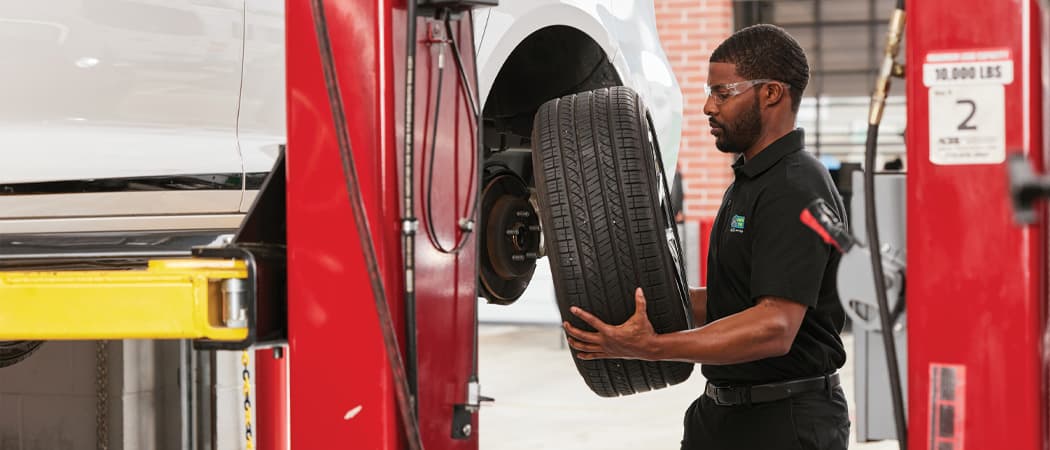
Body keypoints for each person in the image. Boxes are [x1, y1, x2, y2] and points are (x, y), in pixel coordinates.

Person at [563, 24, 851, 450]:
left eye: (722, 93)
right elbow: (728, 300)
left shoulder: (793, 184)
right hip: (721, 415)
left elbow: (774, 326)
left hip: (783, 424)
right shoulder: (751, 181)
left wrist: (654, 348)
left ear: (771, 93)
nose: (707, 107)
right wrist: (623, 304)